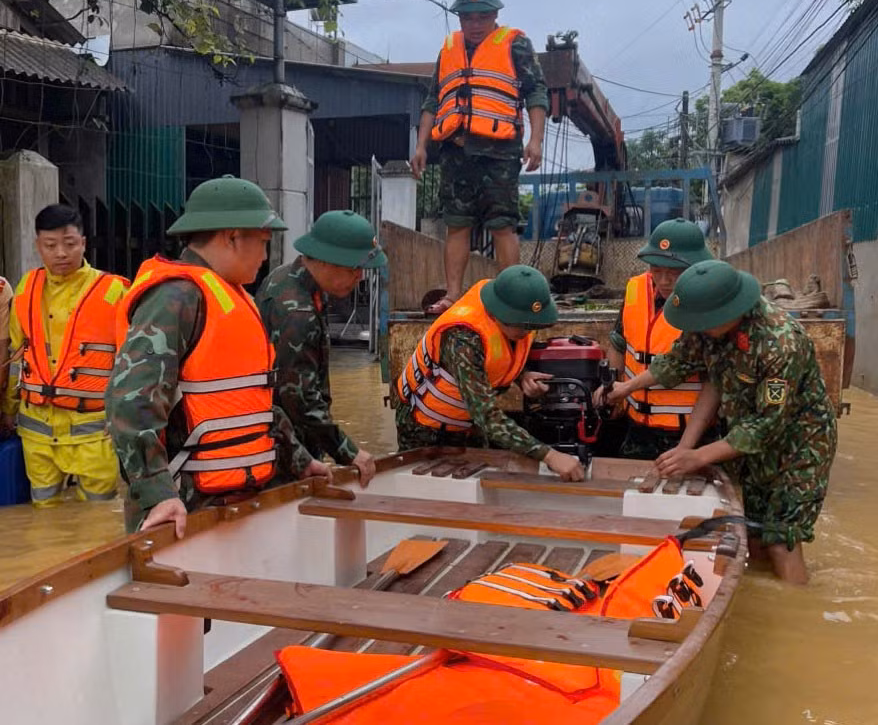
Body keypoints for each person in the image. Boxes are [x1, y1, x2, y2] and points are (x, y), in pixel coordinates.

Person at [107, 176, 331, 538]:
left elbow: (253, 405)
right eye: (262, 243)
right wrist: (158, 493)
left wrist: (301, 460)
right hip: (188, 507)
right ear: (231, 237)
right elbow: (131, 402)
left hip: (236, 497)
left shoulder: (234, 297)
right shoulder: (176, 298)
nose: (265, 256)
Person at [602, 260, 837, 584]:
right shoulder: (707, 324)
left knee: (782, 539)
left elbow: (766, 426)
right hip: (745, 434)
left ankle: (794, 614)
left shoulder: (780, 343)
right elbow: (686, 367)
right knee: (751, 530)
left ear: (727, 313)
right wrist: (630, 392)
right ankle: (756, 601)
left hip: (800, 442)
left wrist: (697, 456)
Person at [410, 0, 548, 315]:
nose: (474, 24)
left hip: (499, 153)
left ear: (494, 14)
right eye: (467, 17)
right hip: (456, 152)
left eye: (481, 16)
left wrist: (536, 139)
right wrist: (421, 146)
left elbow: (536, 92)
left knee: (502, 224)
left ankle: (509, 295)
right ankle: (453, 295)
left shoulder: (516, 45)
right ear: (459, 17)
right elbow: (433, 99)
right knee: (457, 224)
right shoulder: (448, 49)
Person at [395, 264, 585, 482]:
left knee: (477, 480)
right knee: (428, 491)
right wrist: (549, 455)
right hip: (425, 428)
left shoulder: (516, 324)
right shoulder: (463, 339)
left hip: (468, 424)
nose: (527, 332)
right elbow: (487, 416)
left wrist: (521, 376)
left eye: (532, 326)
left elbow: (498, 356)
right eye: (522, 326)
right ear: (499, 314)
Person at [0, 205, 128, 505]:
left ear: (83, 243)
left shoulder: (113, 291)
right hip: (37, 433)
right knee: (43, 516)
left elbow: (128, 363)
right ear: (37, 246)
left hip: (94, 432)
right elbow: (18, 356)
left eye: (69, 244)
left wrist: (124, 416)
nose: (61, 253)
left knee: (99, 520)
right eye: (50, 245)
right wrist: (9, 408)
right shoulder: (26, 288)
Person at [255, 210, 387, 489]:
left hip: (280, 439)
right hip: (284, 450)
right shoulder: (297, 313)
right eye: (354, 268)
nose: (360, 277)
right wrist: (348, 451)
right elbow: (300, 399)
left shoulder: (285, 277)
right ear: (327, 261)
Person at [606, 218, 713, 459]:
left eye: (674, 273)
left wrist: (686, 448)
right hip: (637, 431)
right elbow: (618, 342)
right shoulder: (635, 289)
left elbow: (709, 381)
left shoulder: (707, 305)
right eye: (656, 270)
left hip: (688, 434)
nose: (663, 281)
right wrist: (612, 388)